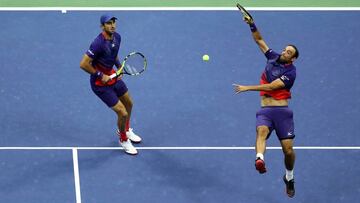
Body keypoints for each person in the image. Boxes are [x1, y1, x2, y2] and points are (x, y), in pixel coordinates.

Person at [233, 15, 299, 198]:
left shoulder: (291, 73)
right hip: (265, 110)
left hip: (283, 112)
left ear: (293, 59)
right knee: (261, 132)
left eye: (288, 52)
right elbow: (260, 40)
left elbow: (271, 86)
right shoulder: (272, 58)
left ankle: (289, 177)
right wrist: (251, 24)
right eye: (285, 50)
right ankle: (259, 158)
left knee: (288, 151)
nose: (284, 52)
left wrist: (248, 87)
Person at [80, 14, 142, 155]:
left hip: (113, 77)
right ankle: (123, 138)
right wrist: (101, 75)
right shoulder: (98, 43)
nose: (112, 25)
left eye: (114, 22)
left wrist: (119, 67)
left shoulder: (117, 37)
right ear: (102, 26)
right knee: (122, 112)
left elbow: (113, 54)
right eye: (109, 23)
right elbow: (83, 64)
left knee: (129, 103)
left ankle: (126, 129)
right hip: (99, 84)